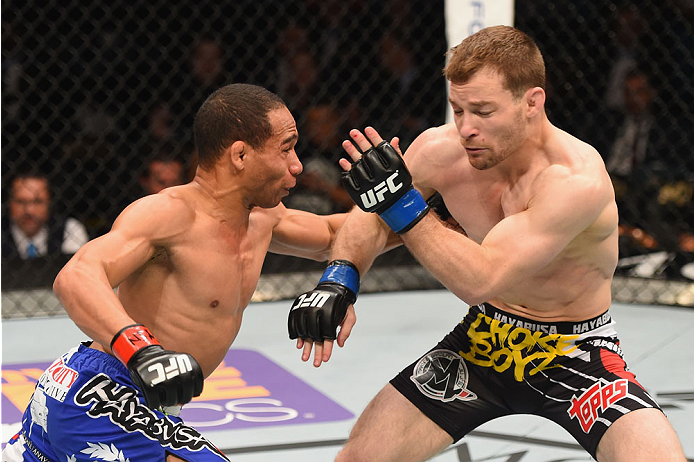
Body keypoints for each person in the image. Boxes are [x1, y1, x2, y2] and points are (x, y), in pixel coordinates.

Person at [288, 26, 686, 461]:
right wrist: (340, 278)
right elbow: (371, 217)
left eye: (483, 111)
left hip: (577, 351)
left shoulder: (574, 180)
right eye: (458, 110)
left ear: (532, 102)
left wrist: (401, 204)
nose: (466, 129)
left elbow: (482, 277)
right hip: (485, 339)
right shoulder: (442, 151)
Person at [1, 83, 356, 462]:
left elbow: (339, 235)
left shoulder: (264, 219)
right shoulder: (170, 214)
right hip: (103, 393)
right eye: (285, 148)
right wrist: (141, 351)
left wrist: (405, 199)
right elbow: (76, 275)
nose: (297, 164)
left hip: (140, 407)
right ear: (240, 155)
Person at [1, 171, 89, 260]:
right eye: (21, 202)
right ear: (9, 203)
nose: (29, 211)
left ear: (50, 204)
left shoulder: (69, 229)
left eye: (38, 202)